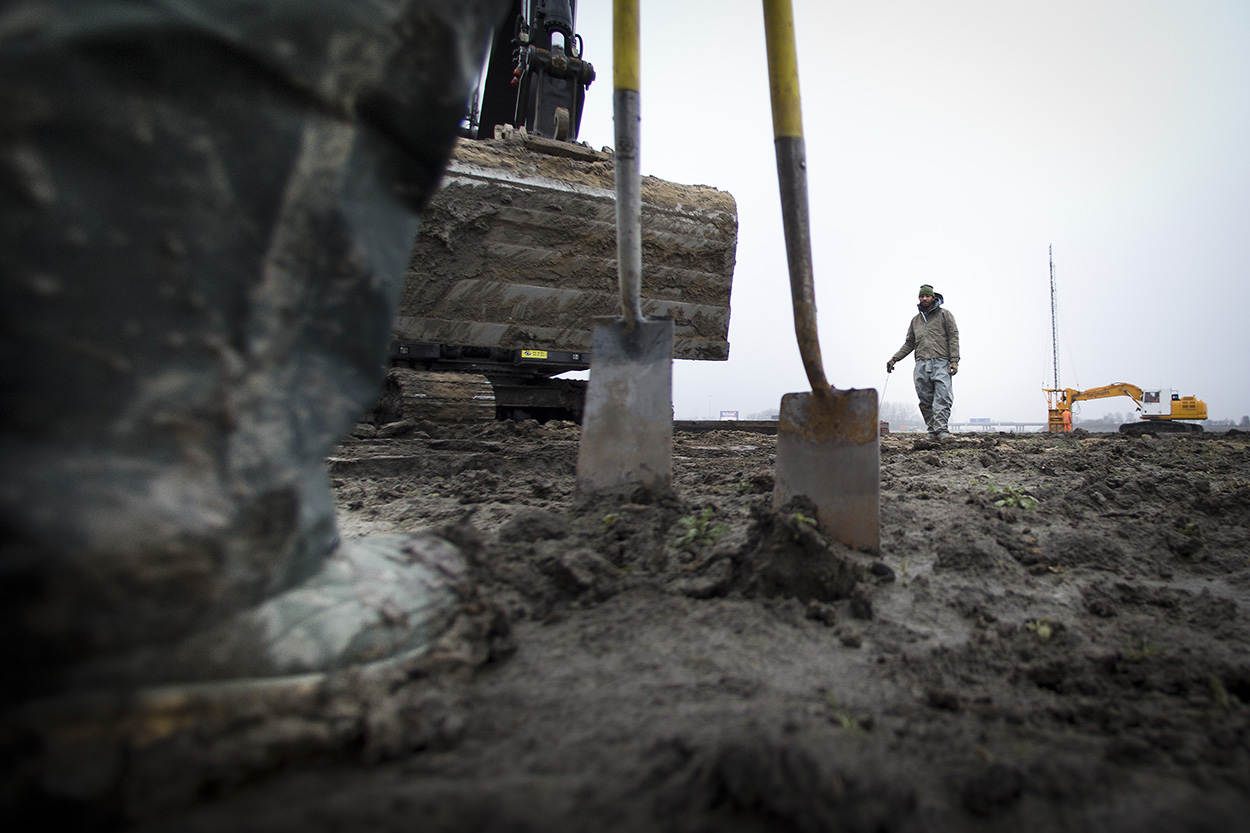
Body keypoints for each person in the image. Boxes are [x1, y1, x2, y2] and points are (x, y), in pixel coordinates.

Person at [886, 284, 960, 440]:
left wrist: (954, 360)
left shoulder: (944, 315)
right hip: (921, 364)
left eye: (927, 296)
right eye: (921, 296)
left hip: (941, 361)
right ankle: (932, 431)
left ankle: (942, 430)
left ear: (933, 297)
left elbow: (953, 337)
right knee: (925, 400)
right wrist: (895, 358)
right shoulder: (915, 321)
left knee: (943, 396)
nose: (924, 298)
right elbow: (909, 343)